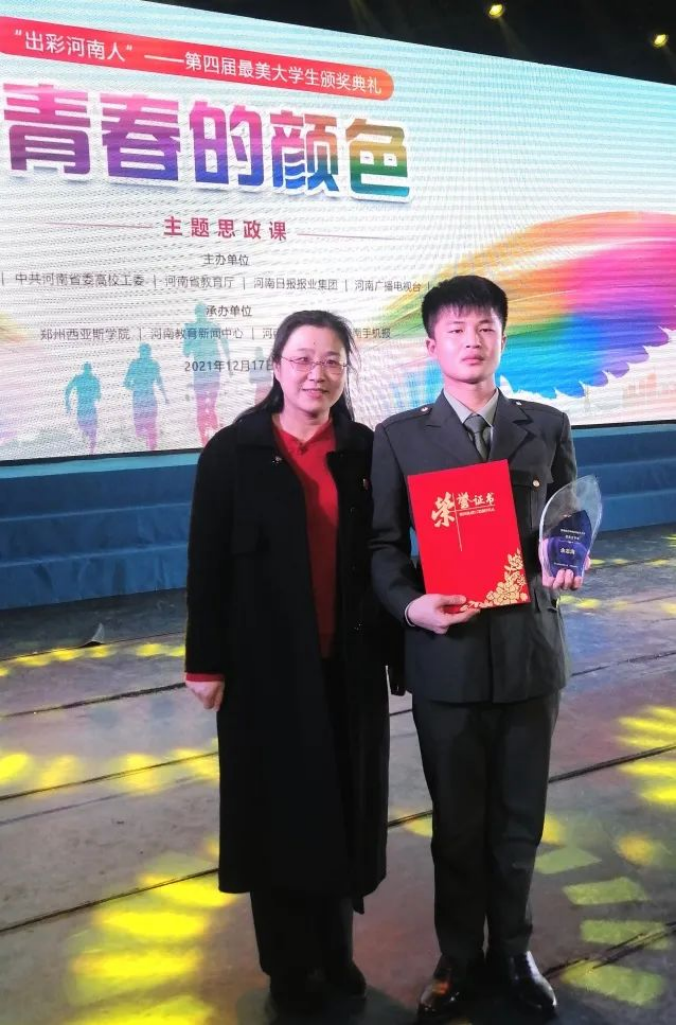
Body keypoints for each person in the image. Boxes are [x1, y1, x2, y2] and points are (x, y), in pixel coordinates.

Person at [371, 276, 585, 1023]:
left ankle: (514, 951)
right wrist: (409, 605)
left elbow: (567, 520)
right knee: (458, 824)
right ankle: (458, 956)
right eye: (456, 330)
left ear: (502, 338)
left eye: (485, 327)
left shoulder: (546, 425)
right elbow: (381, 545)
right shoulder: (399, 437)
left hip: (528, 655)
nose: (472, 340)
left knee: (519, 819)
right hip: (448, 659)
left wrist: (569, 558)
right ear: (431, 344)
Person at [185, 310, 401, 1018]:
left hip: (347, 667)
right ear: (276, 365)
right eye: (303, 358)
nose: (318, 373)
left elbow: (390, 550)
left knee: (343, 808)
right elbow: (206, 566)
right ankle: (286, 964)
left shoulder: (364, 450)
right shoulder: (233, 452)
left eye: (332, 360)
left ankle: (335, 953)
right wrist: (204, 662)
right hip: (263, 674)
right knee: (275, 816)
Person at [123, 343, 168, 451]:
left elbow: (159, 381)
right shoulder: (135, 364)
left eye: (146, 351)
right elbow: (126, 382)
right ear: (140, 352)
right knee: (139, 429)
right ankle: (147, 445)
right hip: (138, 398)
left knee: (151, 425)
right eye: (143, 351)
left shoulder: (153, 364)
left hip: (149, 397)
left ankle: (152, 448)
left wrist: (165, 396)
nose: (145, 353)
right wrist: (135, 388)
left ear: (149, 352)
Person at [64, 362, 101, 454]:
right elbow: (68, 389)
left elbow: (98, 395)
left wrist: (67, 403)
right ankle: (88, 441)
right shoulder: (80, 378)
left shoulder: (93, 379)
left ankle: (92, 451)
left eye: (87, 370)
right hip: (84, 407)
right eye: (86, 370)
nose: (87, 372)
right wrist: (67, 403)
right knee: (86, 428)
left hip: (89, 407)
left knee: (92, 430)